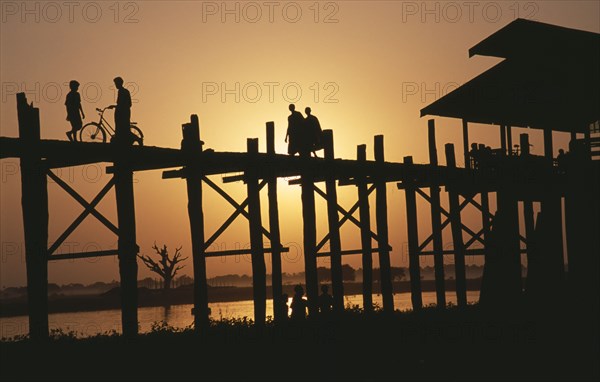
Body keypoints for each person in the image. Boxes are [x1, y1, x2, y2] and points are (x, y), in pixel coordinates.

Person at [108, 76, 132, 143]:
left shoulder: (123, 91)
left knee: (122, 127)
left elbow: (124, 104)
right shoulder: (123, 91)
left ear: (119, 83)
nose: (115, 85)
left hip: (122, 113)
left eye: (116, 83)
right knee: (122, 127)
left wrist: (116, 106)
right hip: (122, 112)